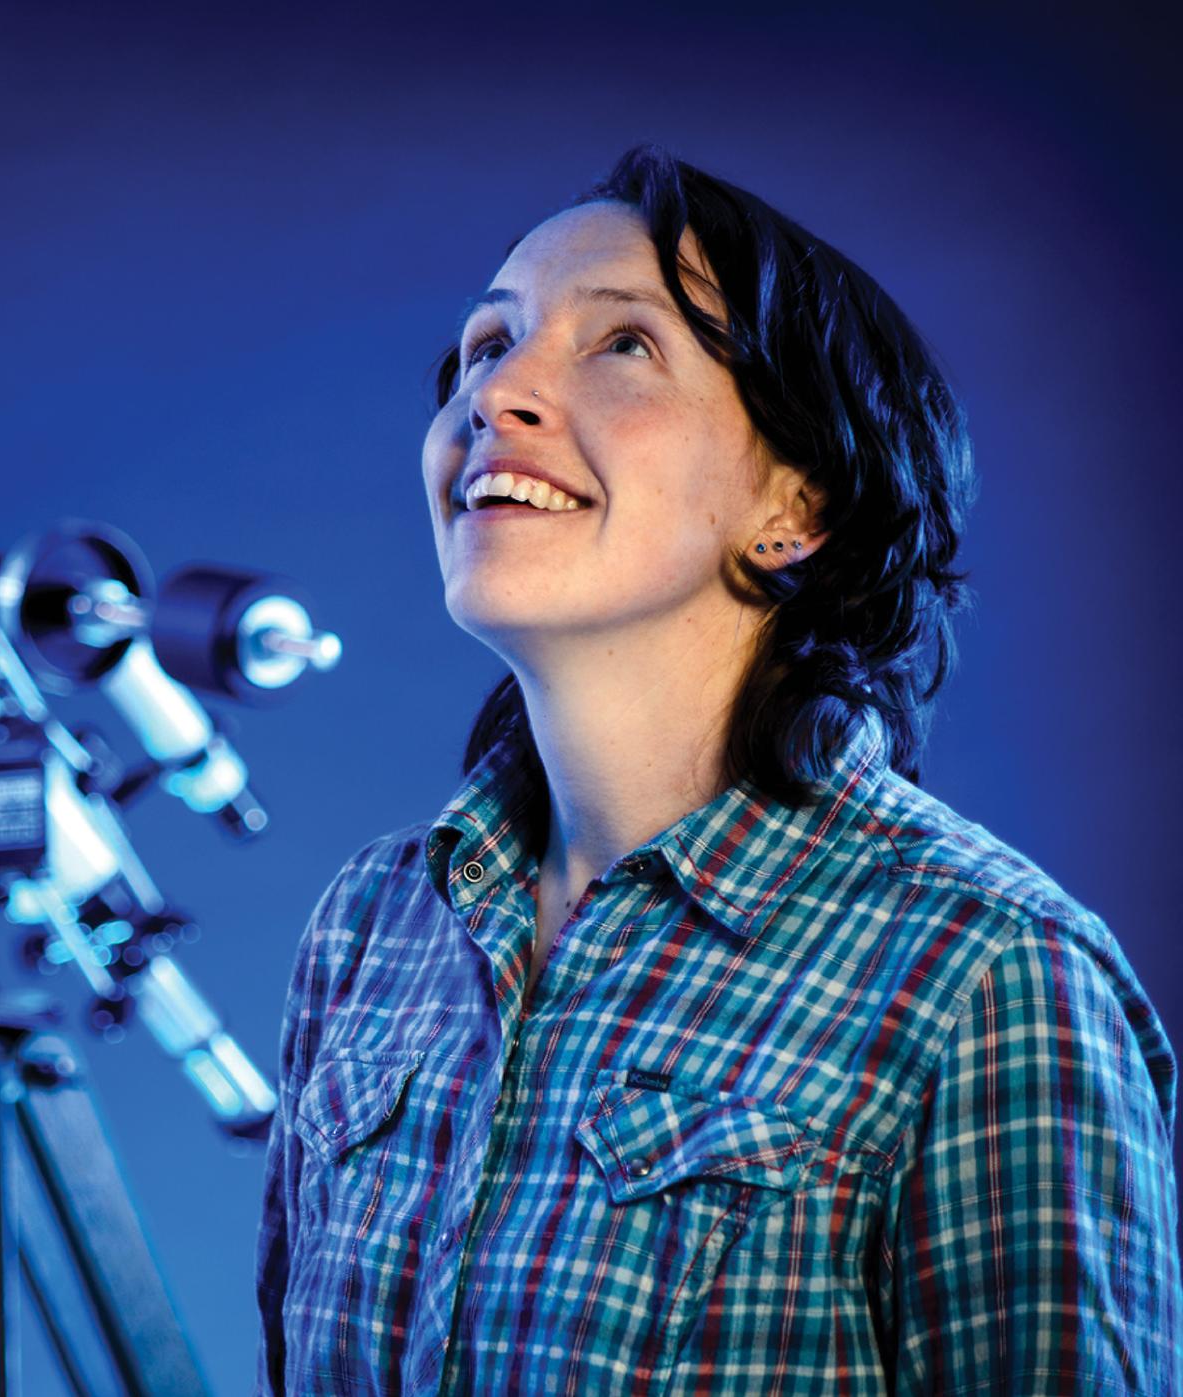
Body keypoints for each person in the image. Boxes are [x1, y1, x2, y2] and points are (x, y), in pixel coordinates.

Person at [252, 143, 1181, 1395]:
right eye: (483, 347)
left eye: (622, 344)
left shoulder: (990, 975)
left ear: (794, 506)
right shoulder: (370, 929)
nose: (498, 393)